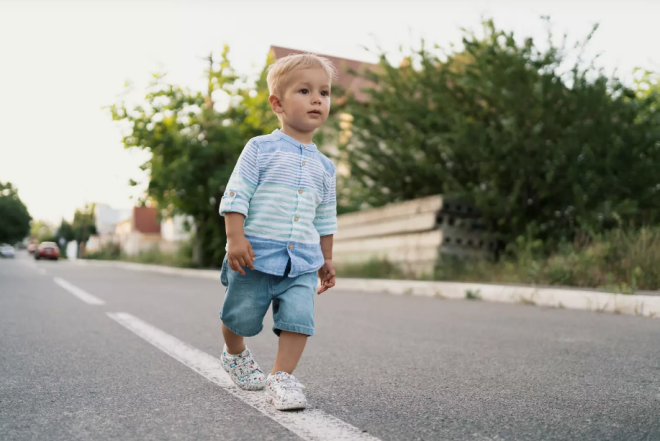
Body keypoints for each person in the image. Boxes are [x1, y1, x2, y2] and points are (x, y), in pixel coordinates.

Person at [218, 53, 338, 410]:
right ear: (277, 103)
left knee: (299, 319)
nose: (317, 99)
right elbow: (236, 194)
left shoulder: (326, 167)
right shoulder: (260, 149)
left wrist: (327, 258)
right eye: (304, 90)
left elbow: (326, 218)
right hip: (255, 255)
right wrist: (235, 239)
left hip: (302, 260)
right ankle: (234, 353)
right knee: (237, 317)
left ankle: (281, 378)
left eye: (324, 92)